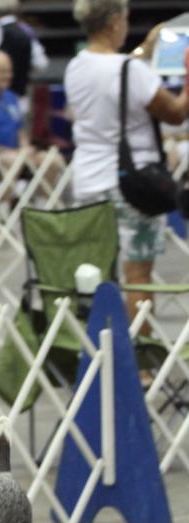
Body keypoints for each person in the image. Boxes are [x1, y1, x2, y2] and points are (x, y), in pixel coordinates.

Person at [65, 0, 189, 324]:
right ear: (116, 21)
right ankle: (143, 362)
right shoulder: (132, 71)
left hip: (88, 180)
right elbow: (176, 113)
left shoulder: (76, 66)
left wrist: (143, 51)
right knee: (138, 272)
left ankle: (100, 351)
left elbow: (115, 75)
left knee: (98, 272)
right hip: (131, 184)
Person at [0, 50, 61, 186]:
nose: (8, 76)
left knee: (52, 160)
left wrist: (26, 148)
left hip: (18, 154)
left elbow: (21, 133)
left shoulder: (11, 97)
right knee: (12, 160)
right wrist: (11, 152)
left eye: (10, 71)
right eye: (3, 72)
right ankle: (3, 206)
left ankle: (42, 204)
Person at [0, 0, 49, 109]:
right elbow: (41, 64)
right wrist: (25, 67)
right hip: (20, 100)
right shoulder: (27, 31)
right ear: (16, 10)